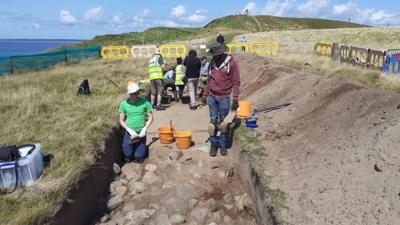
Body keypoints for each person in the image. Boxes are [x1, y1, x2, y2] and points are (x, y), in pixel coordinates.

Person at [203, 43, 240, 157]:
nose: (214, 56)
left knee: (224, 123)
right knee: (212, 122)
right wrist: (205, 94)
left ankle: (223, 144)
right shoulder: (212, 63)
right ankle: (214, 144)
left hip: (224, 97)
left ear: (221, 53)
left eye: (216, 54)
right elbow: (209, 80)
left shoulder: (231, 63)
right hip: (212, 97)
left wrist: (235, 98)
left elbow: (236, 82)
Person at [119, 82, 154, 162]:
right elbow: (121, 120)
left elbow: (151, 117)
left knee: (138, 157)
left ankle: (140, 152)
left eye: (136, 94)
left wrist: (144, 129)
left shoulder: (145, 102)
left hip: (141, 132)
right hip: (129, 132)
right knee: (128, 155)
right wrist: (129, 130)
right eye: (133, 94)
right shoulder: (124, 104)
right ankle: (129, 153)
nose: (135, 96)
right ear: (129, 94)